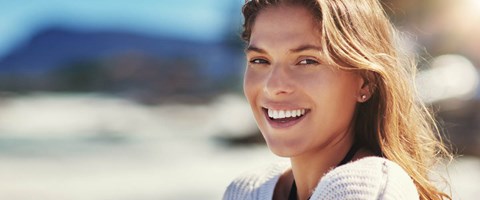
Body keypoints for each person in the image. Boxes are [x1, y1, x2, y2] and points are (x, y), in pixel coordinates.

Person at [223, 0, 452, 199]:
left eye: (307, 61)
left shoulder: (365, 189)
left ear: (365, 82)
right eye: (260, 61)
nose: (273, 86)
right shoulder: (247, 190)